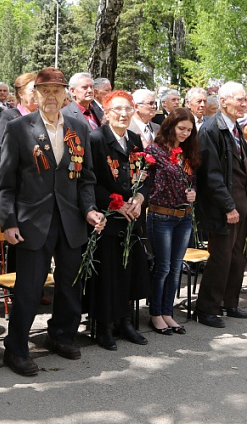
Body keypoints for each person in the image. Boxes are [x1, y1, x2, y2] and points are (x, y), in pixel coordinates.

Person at [0, 67, 104, 377]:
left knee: (71, 284)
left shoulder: (78, 128)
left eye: (57, 90)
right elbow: (6, 184)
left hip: (71, 220)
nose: (52, 96)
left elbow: (86, 179)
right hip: (33, 222)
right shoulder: (19, 129)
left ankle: (60, 335)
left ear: (66, 94)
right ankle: (15, 349)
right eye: (46, 91)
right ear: (35, 95)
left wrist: (89, 209)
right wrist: (9, 222)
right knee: (29, 289)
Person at [192, 82, 247, 329]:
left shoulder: (234, 128)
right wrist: (227, 206)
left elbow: (242, 167)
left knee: (237, 256)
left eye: (246, 100)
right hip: (223, 207)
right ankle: (206, 309)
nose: (246, 104)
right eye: (241, 100)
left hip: (240, 203)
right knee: (220, 258)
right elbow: (211, 175)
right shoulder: (212, 129)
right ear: (223, 101)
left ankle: (229, 302)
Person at [85, 91, 149, 350]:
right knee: (107, 273)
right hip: (107, 217)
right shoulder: (96, 139)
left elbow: (145, 174)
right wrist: (115, 203)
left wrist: (140, 198)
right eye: (117, 110)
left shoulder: (134, 139)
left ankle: (125, 320)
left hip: (131, 218)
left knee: (128, 271)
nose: (123, 114)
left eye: (128, 109)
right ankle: (103, 326)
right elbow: (89, 180)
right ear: (107, 113)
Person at [143, 107, 199, 335]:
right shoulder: (154, 150)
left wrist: (194, 191)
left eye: (189, 129)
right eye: (181, 128)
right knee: (163, 267)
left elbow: (193, 180)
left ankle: (168, 312)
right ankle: (156, 314)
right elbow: (145, 182)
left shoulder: (187, 152)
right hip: (161, 214)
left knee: (176, 268)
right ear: (171, 126)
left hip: (184, 216)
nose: (185, 133)